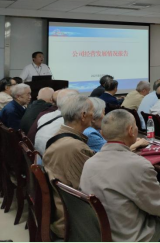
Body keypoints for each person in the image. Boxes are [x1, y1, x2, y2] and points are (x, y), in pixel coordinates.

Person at [80, 109, 160, 242]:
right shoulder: (138, 165)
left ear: (102, 134)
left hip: (101, 234)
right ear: (131, 131)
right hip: (133, 237)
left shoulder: (89, 163)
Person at [43, 94, 95, 238]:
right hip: (74, 219)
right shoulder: (76, 147)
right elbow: (92, 188)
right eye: (92, 111)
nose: (94, 115)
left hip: (62, 211)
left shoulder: (59, 135)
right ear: (83, 115)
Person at [83, 97, 148, 153]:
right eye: (103, 113)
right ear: (93, 118)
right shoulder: (91, 133)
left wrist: (131, 142)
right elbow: (113, 153)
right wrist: (137, 144)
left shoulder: (93, 130)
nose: (105, 117)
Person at [34, 89, 79, 156]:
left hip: (40, 157)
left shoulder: (44, 116)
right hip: (53, 159)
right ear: (74, 103)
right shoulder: (70, 121)